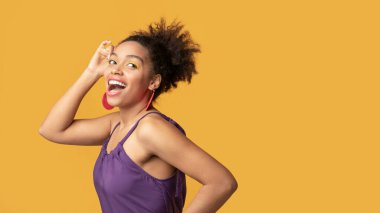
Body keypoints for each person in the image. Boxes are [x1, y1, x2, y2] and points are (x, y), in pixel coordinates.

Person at [39, 17, 238, 213]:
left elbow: (221, 182)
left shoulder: (150, 129)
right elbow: (52, 130)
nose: (116, 70)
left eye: (131, 65)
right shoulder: (116, 124)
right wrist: (92, 72)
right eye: (113, 61)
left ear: (153, 81)